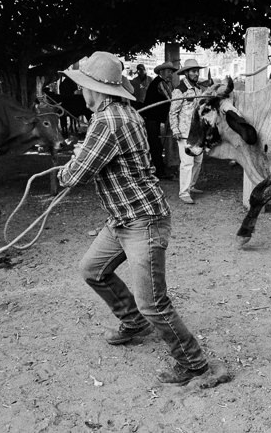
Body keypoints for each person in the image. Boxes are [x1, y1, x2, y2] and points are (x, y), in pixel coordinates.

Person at [56, 51, 214, 385]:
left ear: (96, 89)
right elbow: (98, 158)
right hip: (124, 217)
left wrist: (73, 162)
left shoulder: (107, 121)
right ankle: (132, 321)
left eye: (83, 87)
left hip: (142, 220)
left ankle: (195, 363)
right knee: (92, 270)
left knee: (154, 303)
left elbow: (75, 176)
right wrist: (84, 152)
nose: (80, 93)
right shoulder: (123, 113)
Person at [169, 58, 208, 204]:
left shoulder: (198, 89)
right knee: (187, 163)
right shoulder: (180, 90)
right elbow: (173, 112)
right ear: (186, 73)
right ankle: (184, 192)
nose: (196, 73)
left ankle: (191, 186)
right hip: (185, 133)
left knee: (198, 160)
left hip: (197, 132)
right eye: (193, 71)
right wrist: (175, 129)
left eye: (197, 71)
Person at [141, 61, 178, 180]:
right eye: (168, 72)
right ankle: (159, 172)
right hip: (152, 119)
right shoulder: (160, 83)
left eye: (171, 72)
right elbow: (171, 99)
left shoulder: (164, 83)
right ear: (161, 72)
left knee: (156, 145)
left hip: (154, 118)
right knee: (155, 145)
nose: (170, 74)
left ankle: (157, 170)